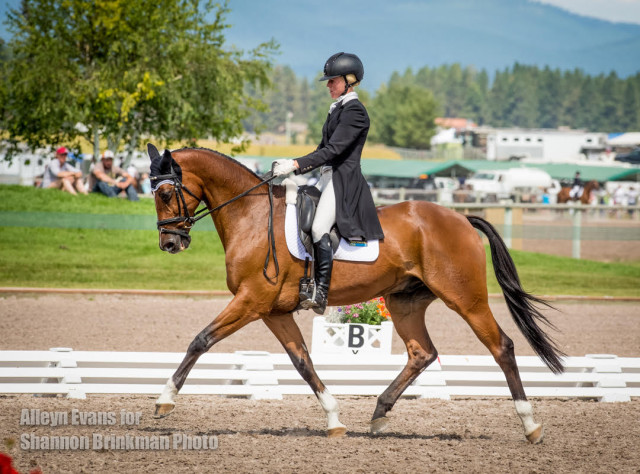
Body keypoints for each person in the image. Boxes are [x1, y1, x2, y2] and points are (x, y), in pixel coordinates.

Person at [271, 52, 384, 314]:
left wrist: (296, 163)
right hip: (327, 177)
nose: (328, 85)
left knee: (320, 225)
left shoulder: (355, 111)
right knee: (301, 214)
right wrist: (296, 170)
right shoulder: (337, 109)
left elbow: (333, 150)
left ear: (350, 80)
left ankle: (321, 291)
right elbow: (322, 149)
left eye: (333, 80)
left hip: (344, 180)